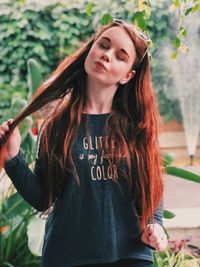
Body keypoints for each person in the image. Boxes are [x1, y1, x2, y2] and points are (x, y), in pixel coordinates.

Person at [0, 19, 168, 267]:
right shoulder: (57, 126)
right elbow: (43, 198)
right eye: (104, 45)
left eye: (120, 56)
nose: (107, 55)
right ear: (92, 48)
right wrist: (13, 159)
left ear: (128, 75)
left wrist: (156, 227)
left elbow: (151, 187)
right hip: (68, 257)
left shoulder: (137, 127)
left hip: (130, 257)